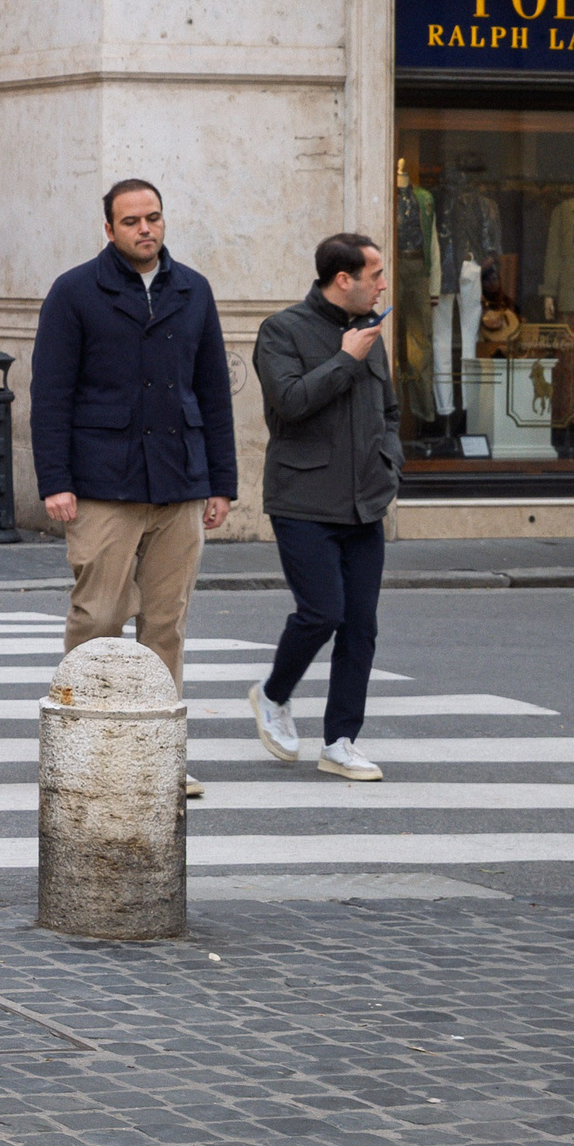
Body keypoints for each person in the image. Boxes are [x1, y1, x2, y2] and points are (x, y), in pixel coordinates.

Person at [29, 179, 237, 800]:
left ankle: (159, 754)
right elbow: (51, 396)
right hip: (101, 484)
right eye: (131, 221)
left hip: (178, 481)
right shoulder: (74, 292)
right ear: (109, 229)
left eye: (153, 218)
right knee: (98, 617)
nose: (145, 229)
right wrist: (55, 482)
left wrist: (220, 483)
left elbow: (214, 391)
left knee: (166, 624)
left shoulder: (192, 289)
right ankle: (86, 744)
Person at [250, 233, 400, 784]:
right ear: (344, 280)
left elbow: (389, 411)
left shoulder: (371, 333)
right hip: (303, 499)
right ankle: (272, 695)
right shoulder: (282, 331)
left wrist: (390, 464)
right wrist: (343, 360)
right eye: (375, 275)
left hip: (365, 502)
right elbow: (289, 406)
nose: (382, 285)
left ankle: (340, 741)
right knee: (322, 612)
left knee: (361, 626)